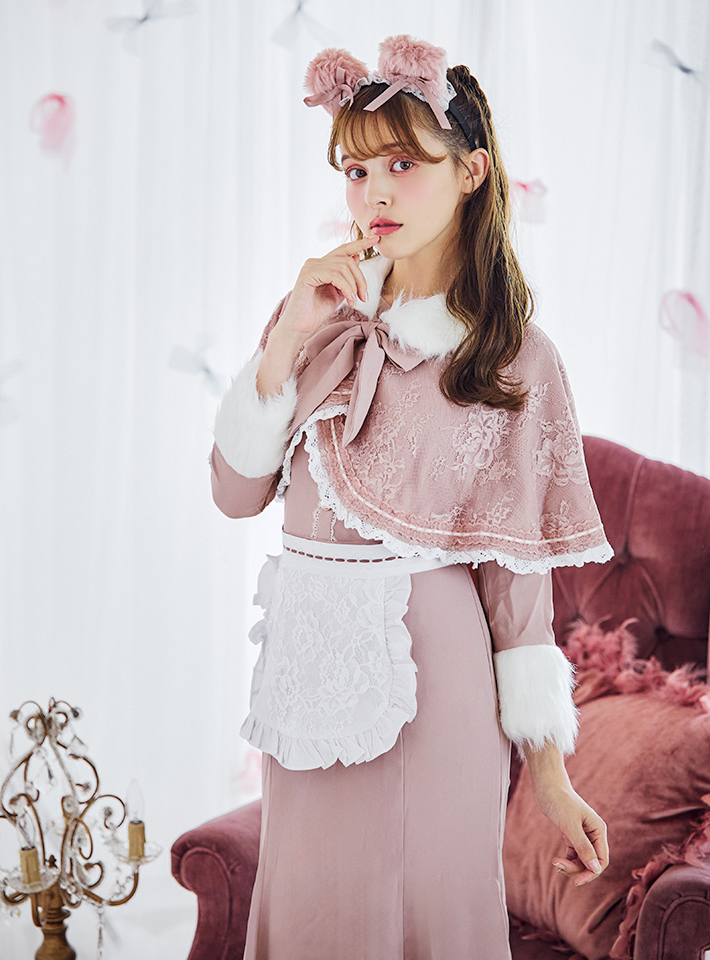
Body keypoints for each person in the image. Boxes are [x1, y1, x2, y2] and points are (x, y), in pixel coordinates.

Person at [210, 34, 613, 960]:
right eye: (356, 171)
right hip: (307, 671)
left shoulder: (515, 357)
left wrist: (549, 772)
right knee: (308, 915)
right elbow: (235, 495)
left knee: (421, 915)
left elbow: (518, 582)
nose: (374, 194)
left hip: (434, 679)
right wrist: (287, 337)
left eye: (403, 164)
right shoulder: (316, 314)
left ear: (470, 172)